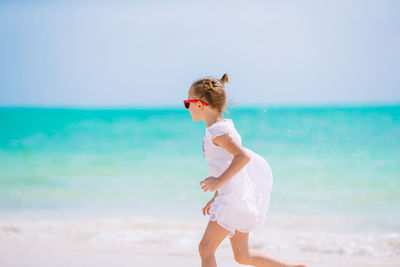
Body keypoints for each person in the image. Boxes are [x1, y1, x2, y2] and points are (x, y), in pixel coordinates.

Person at [183, 73, 307, 267]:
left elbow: (243, 157)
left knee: (205, 249)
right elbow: (229, 166)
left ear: (199, 104)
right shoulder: (223, 128)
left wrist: (218, 183)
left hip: (232, 202)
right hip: (239, 199)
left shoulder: (217, 131)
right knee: (243, 257)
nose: (187, 107)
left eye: (187, 103)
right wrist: (216, 196)